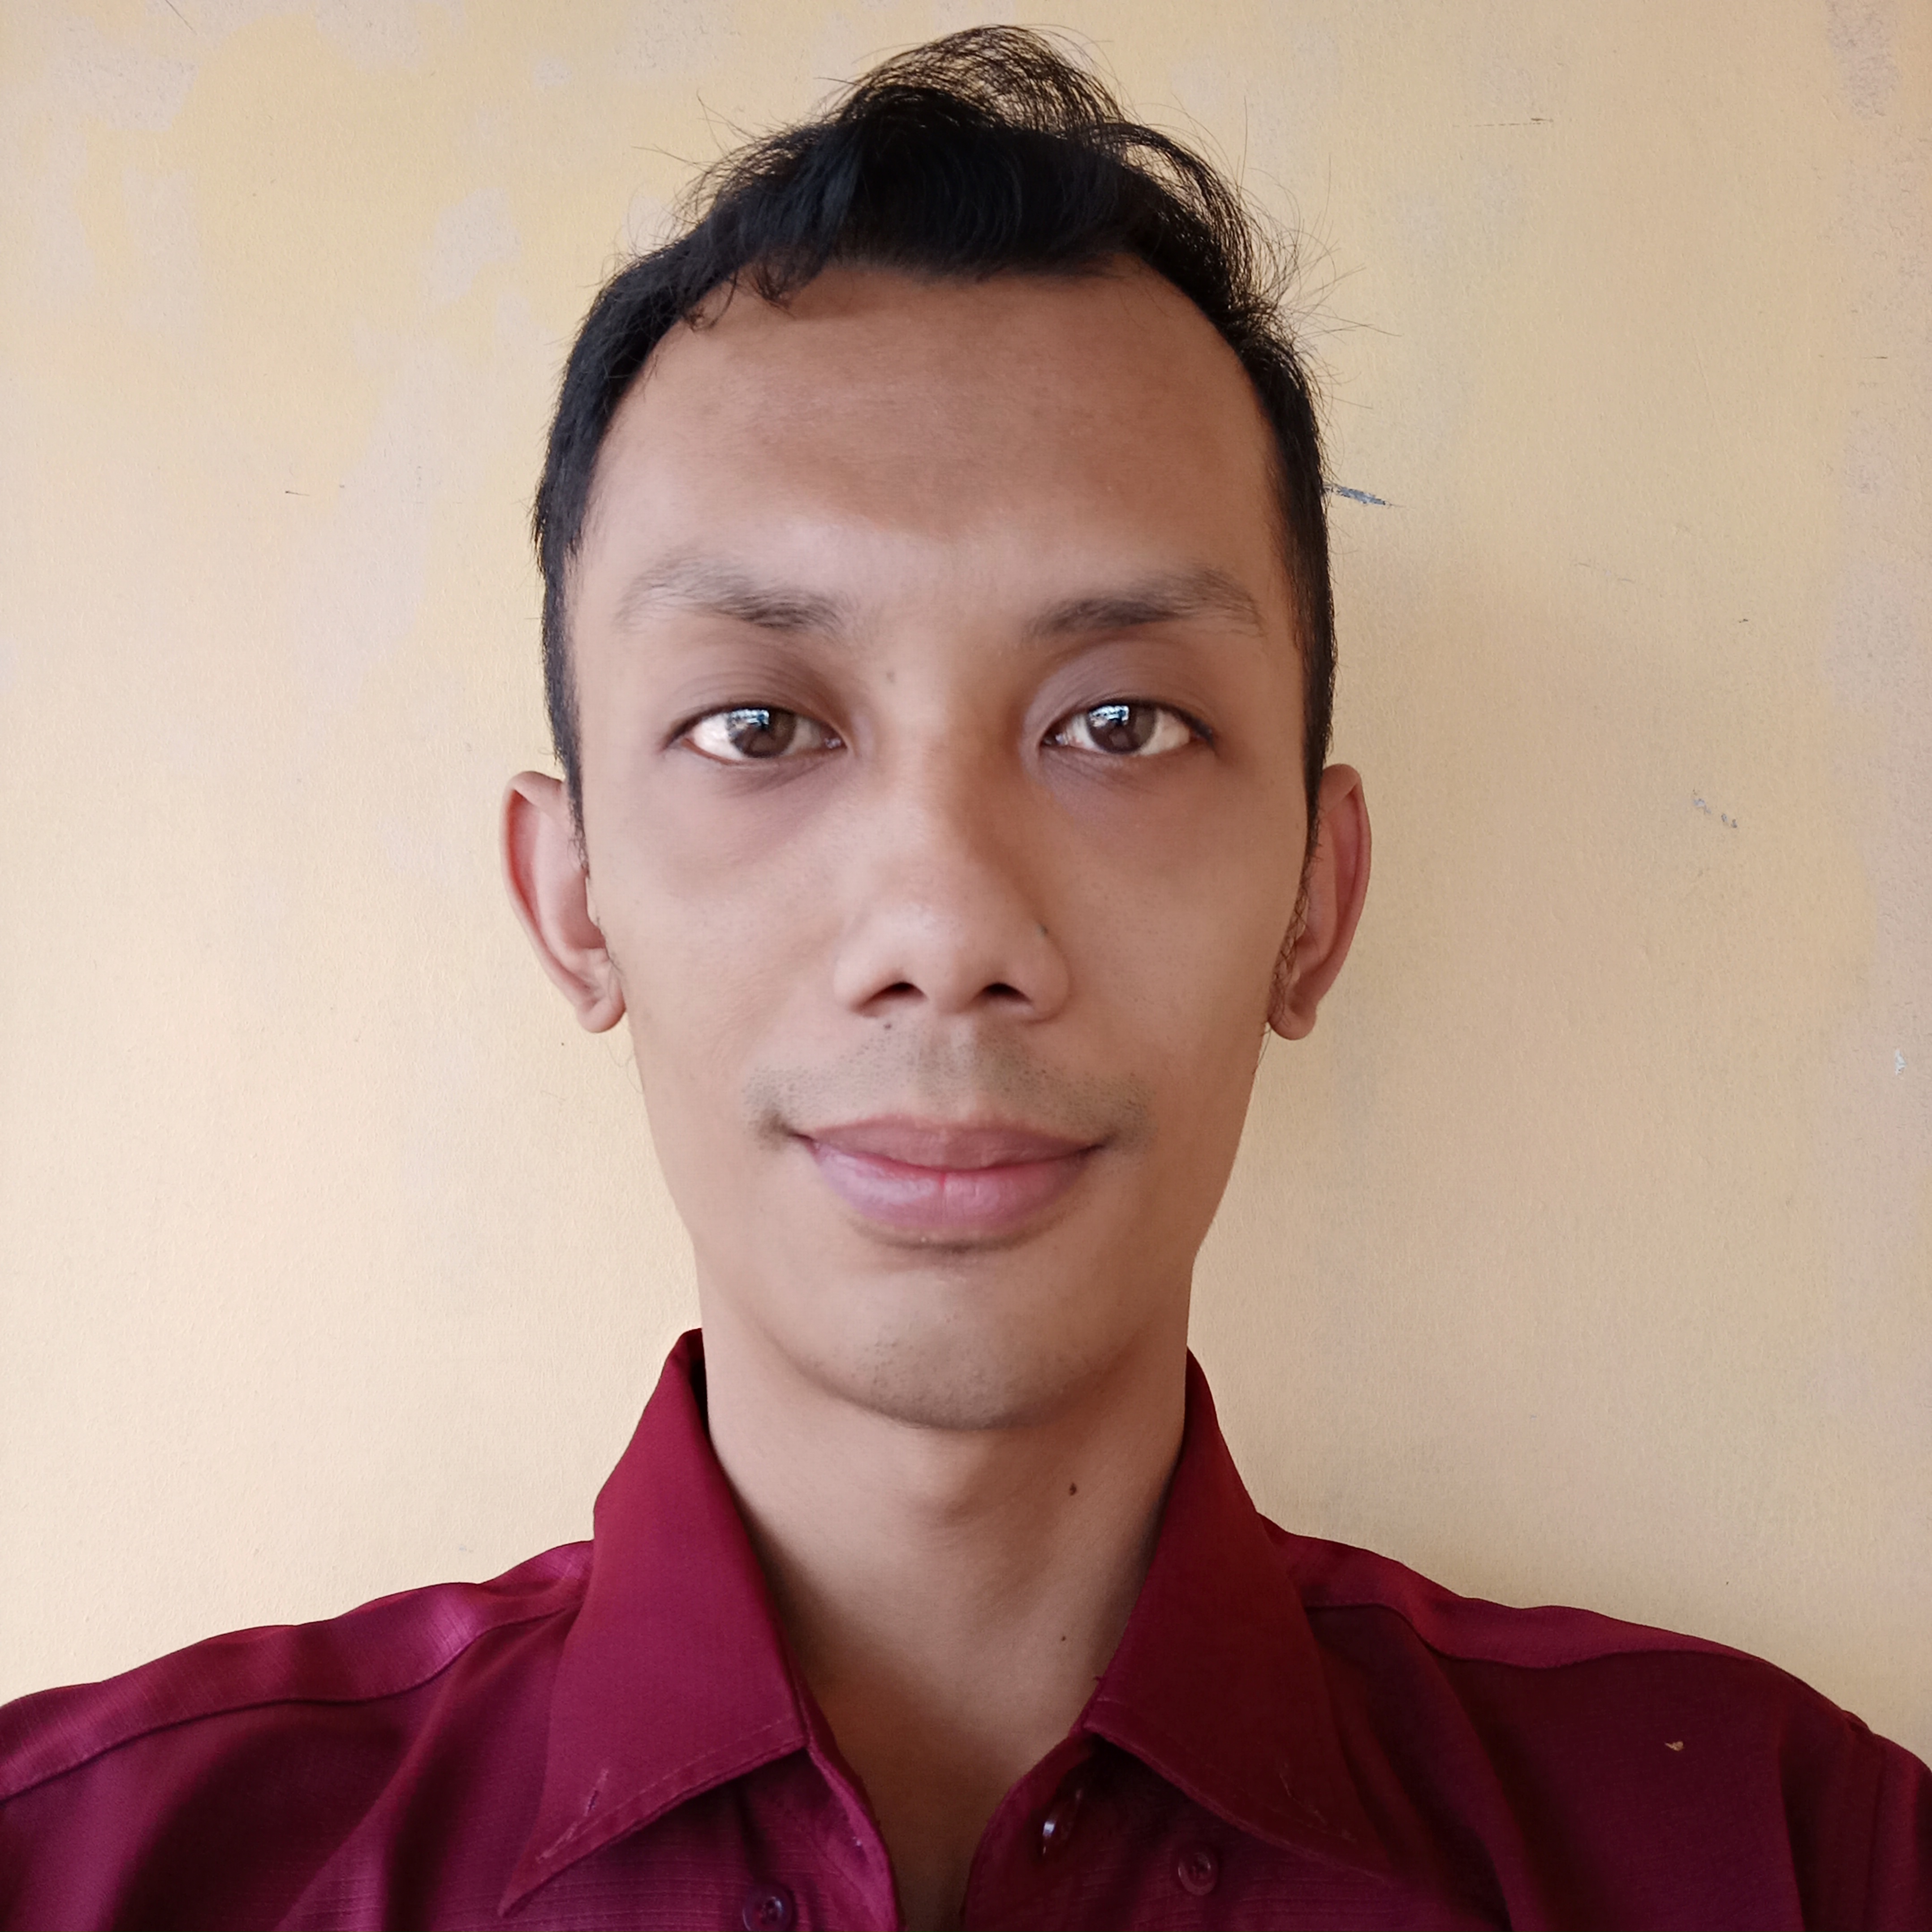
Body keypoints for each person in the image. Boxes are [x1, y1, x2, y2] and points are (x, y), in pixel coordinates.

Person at [0, 26, 1924, 1932]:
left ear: (1314, 902)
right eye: (760, 726)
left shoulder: (1786, 1861)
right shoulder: (88, 1873)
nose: (944, 929)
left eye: (1121, 724)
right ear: (572, 898)